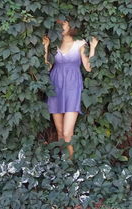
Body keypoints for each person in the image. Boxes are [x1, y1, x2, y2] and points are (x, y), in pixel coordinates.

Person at [42, 19, 99, 160]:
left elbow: (88, 67)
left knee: (68, 133)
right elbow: (47, 67)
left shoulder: (79, 43)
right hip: (55, 88)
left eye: (63, 24)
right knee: (60, 132)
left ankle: (71, 165)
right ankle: (64, 165)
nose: (60, 27)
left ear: (70, 26)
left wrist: (93, 47)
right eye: (58, 24)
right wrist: (46, 47)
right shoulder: (55, 44)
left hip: (73, 88)